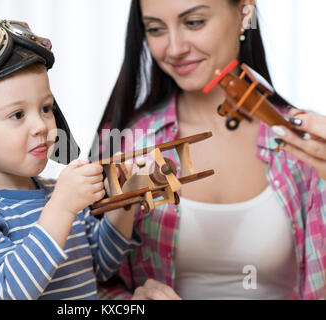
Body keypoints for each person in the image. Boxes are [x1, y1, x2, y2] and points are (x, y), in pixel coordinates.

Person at [92, 0, 325, 300]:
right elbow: (84, 281)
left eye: (193, 22)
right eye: (155, 29)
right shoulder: (125, 144)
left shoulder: (308, 146)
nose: (174, 48)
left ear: (245, 13)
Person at [0, 18, 140, 300]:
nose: (41, 126)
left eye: (45, 108)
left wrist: (124, 202)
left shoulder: (58, 192)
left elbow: (101, 265)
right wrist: (62, 208)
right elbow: (12, 288)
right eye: (17, 114)